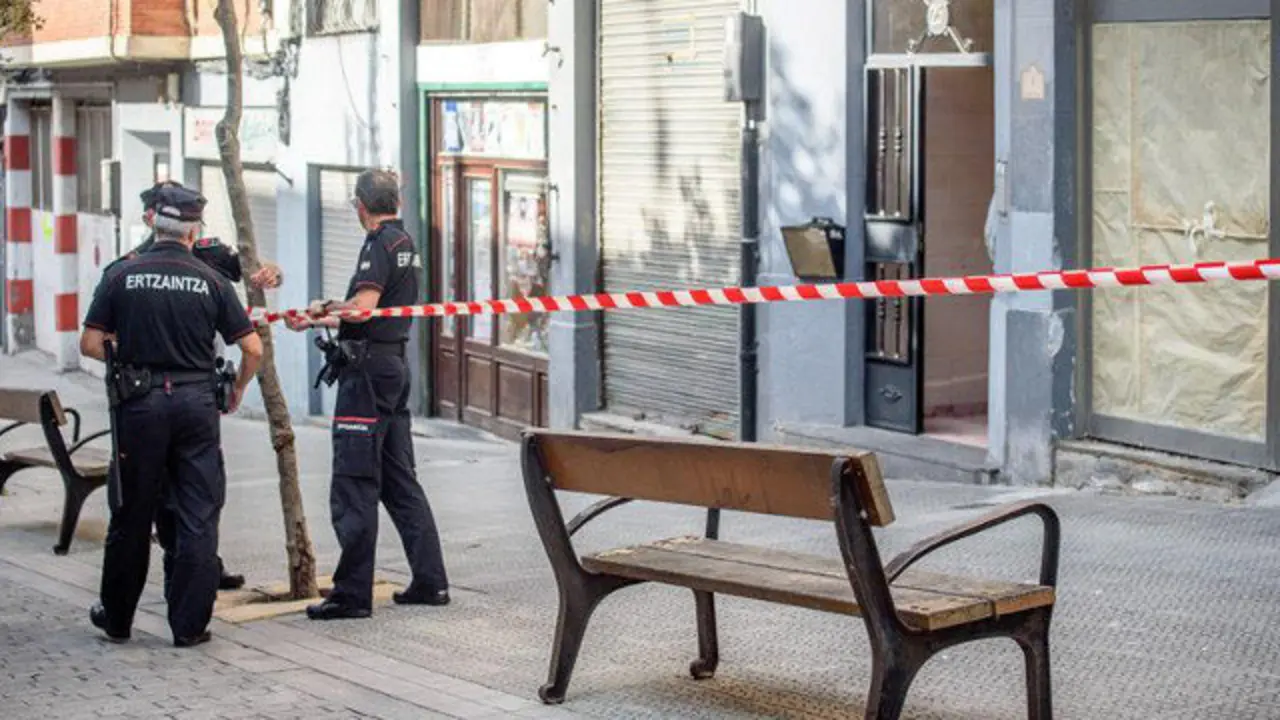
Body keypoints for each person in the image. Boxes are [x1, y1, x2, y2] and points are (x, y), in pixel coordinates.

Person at [80, 185, 264, 647]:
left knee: (132, 514)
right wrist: (238, 385)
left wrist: (131, 357)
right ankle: (189, 626)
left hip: (140, 407)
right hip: (197, 405)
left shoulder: (122, 274)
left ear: (153, 224)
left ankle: (118, 619)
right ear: (193, 230)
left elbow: (88, 342)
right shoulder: (211, 280)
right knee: (198, 515)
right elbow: (252, 346)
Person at [284, 168, 449, 620]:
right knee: (399, 480)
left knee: (355, 481)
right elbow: (372, 314)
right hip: (394, 366)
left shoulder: (378, 244)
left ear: (360, 205)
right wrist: (321, 320)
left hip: (368, 374)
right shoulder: (406, 243)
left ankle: (351, 595)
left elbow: (361, 312)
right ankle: (431, 582)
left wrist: (321, 311)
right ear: (395, 201)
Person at [106, 180, 281, 592]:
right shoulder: (130, 263)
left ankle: (198, 575)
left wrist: (271, 272)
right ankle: (188, 588)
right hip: (163, 395)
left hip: (186, 390)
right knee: (167, 497)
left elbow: (253, 267)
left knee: (192, 496)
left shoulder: (203, 254)